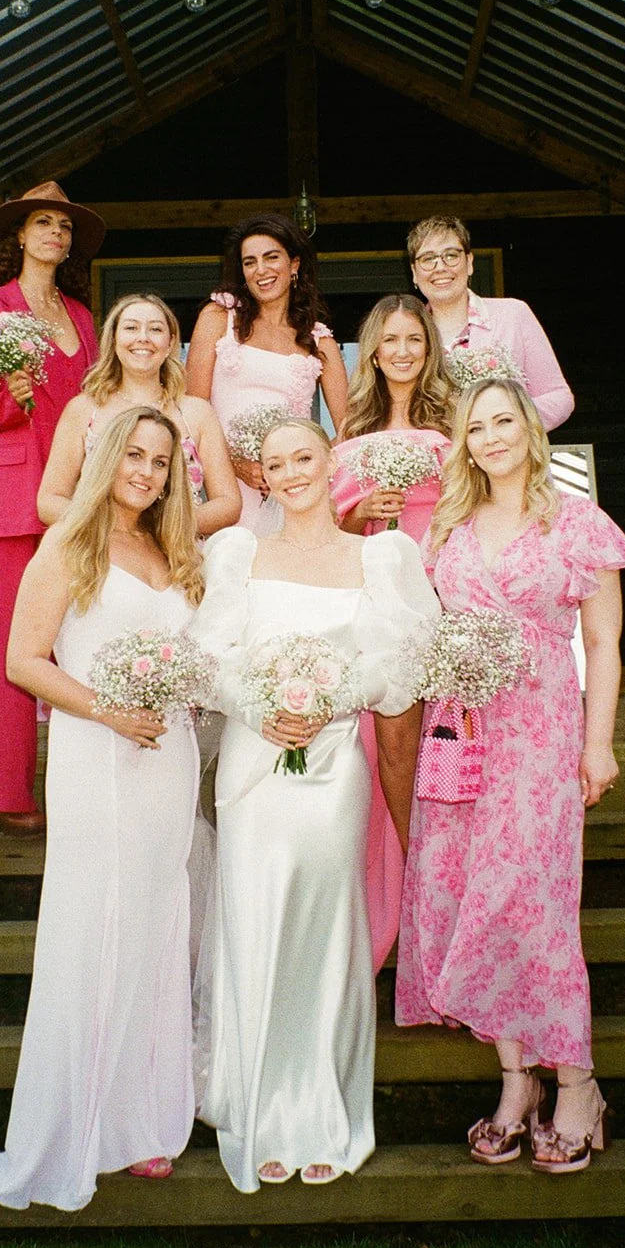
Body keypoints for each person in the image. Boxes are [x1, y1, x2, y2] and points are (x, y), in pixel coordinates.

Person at [395, 378, 625, 1175]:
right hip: (462, 733)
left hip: (540, 733)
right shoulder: (450, 525)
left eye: (504, 421)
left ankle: (576, 1083)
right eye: (477, 428)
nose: (491, 437)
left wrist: (597, 745)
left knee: (531, 903)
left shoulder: (576, 521)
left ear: (529, 431)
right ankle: (514, 1084)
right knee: (469, 891)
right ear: (463, 443)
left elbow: (603, 644)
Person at [191, 419, 439, 1192]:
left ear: (332, 464)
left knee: (325, 931)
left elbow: (401, 664)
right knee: (256, 920)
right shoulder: (236, 553)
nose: (292, 473)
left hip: (333, 766)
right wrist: (261, 707)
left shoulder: (381, 555)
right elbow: (208, 660)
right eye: (276, 464)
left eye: (305, 457)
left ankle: (321, 1107)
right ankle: (262, 1107)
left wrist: (330, 695)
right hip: (253, 763)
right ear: (261, 477)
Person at [0, 407, 205, 1210]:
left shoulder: (171, 550)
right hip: (97, 756)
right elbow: (21, 661)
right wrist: (107, 710)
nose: (145, 472)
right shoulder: (69, 544)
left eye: (159, 461)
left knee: (153, 925)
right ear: (107, 458)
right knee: (96, 928)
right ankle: (75, 1130)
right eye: (133, 456)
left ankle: (141, 1122)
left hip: (168, 757)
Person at [0, 180, 102, 836]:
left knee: (82, 639)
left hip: (78, 499)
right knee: (12, 647)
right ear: (19, 234)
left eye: (64, 227)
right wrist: (10, 395)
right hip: (14, 498)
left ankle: (87, 786)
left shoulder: (83, 316)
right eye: (43, 223)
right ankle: (7, 795)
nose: (55, 234)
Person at [329, 294, 455, 971]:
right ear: (372, 352)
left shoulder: (457, 427)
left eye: (413, 339)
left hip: (442, 597)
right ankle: (396, 907)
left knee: (446, 754)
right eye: (390, 340)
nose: (402, 351)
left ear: (427, 349)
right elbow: (333, 536)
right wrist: (362, 515)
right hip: (375, 609)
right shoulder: (350, 434)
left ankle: (443, 903)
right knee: (388, 755)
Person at [186, 214, 348, 529]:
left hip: (287, 493)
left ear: (294, 264)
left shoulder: (319, 341)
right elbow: (193, 410)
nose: (261, 270)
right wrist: (233, 464)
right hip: (221, 487)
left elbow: (348, 427)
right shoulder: (219, 317)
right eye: (250, 262)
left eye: (271, 257)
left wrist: (303, 468)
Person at [37, 292, 240, 538]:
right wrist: (113, 530)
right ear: (113, 340)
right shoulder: (83, 409)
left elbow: (228, 503)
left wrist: (165, 528)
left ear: (170, 343)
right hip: (103, 554)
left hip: (178, 556)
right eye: (131, 328)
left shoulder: (196, 413)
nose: (143, 338)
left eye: (155, 329)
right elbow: (49, 501)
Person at [408, 214, 574, 432]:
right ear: (414, 273)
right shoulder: (409, 334)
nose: (440, 267)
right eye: (428, 259)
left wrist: (507, 422)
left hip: (508, 460)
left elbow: (560, 398)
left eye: (451, 255)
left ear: (469, 263)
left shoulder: (514, 314)